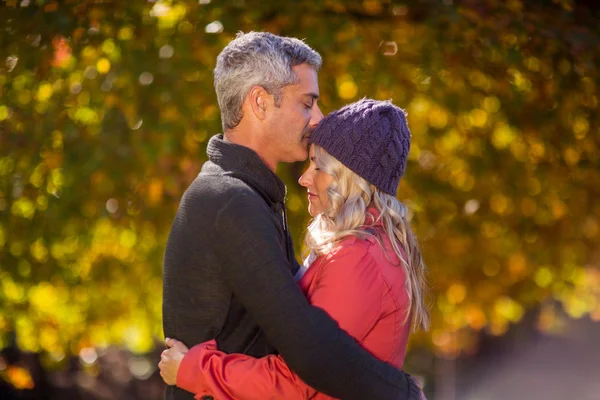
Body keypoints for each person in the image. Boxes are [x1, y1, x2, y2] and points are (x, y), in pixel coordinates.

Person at [162, 31, 423, 400]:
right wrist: (403, 393)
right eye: (307, 102)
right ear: (260, 102)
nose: (317, 118)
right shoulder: (230, 200)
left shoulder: (251, 194)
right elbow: (309, 349)